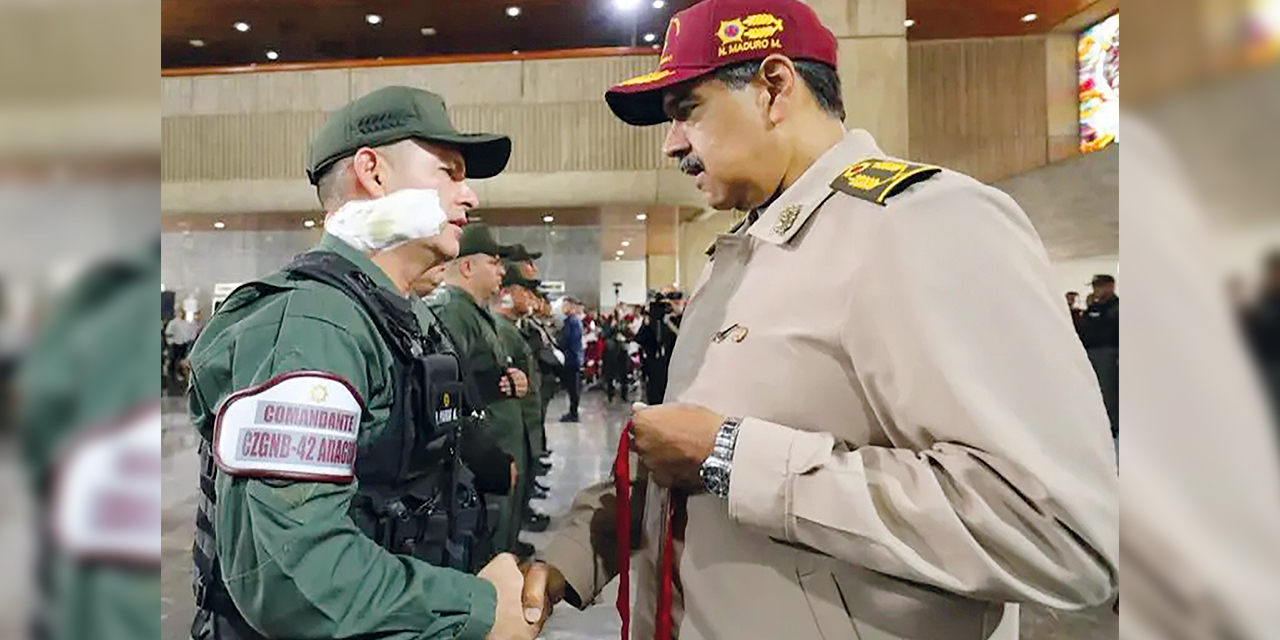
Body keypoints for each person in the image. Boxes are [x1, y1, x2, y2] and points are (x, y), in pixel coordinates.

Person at [519, 2, 1118, 639]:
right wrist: (579, 550)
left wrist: (732, 457)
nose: (671, 145)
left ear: (775, 89)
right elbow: (681, 453)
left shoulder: (919, 224)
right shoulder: (747, 250)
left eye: (686, 110)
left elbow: (1058, 534)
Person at [186, 85, 538, 640]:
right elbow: (290, 578)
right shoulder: (313, 327)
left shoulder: (396, 316)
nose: (469, 197)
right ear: (372, 172)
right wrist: (478, 608)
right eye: (449, 172)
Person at [427, 224, 533, 557]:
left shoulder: (474, 313)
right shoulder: (452, 312)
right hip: (481, 462)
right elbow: (453, 396)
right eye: (494, 262)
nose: (502, 271)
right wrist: (490, 461)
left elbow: (479, 376)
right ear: (469, 266)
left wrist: (513, 380)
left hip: (498, 450)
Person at [492, 265, 552, 534]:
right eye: (524, 291)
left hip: (524, 426)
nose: (530, 298)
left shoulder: (512, 329)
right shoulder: (502, 331)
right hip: (511, 430)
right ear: (506, 293)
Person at [1078, 274, 1120, 444]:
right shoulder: (1093, 308)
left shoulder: (1116, 308)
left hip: (1108, 352)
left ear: (1110, 287)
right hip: (1091, 352)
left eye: (1099, 287)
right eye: (1095, 287)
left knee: (1108, 391)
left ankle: (1112, 425)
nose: (1096, 291)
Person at [557, 297, 584, 422]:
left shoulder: (573, 322)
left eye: (565, 305)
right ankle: (572, 411)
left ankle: (573, 413)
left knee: (573, 388)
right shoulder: (570, 321)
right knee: (572, 387)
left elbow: (571, 341)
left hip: (571, 359)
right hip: (571, 358)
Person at [164, 309, 201, 390]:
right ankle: (172, 377)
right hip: (175, 344)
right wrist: (171, 342)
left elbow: (189, 333)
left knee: (180, 360)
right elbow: (168, 333)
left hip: (182, 344)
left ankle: (178, 375)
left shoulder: (185, 324)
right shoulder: (173, 323)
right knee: (173, 360)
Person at [601, 309, 632, 402]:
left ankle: (624, 394)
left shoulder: (625, 324)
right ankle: (610, 393)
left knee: (624, 374)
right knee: (610, 373)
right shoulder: (608, 324)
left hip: (622, 351)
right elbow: (604, 335)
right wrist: (612, 328)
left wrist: (625, 335)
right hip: (611, 352)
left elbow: (629, 335)